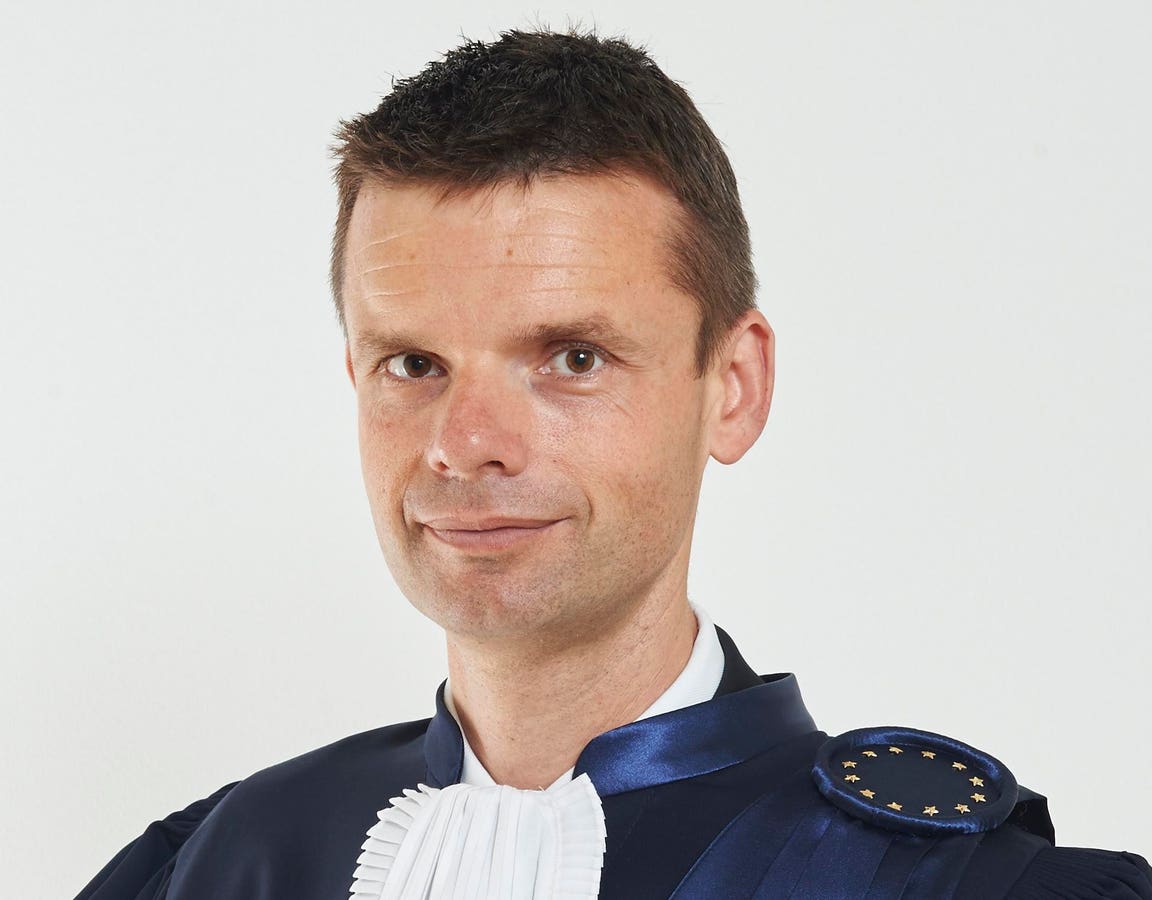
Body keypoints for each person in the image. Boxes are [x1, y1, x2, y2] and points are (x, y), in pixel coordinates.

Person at [77, 28, 1151, 900]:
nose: (466, 441)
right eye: (413, 363)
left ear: (733, 386)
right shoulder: (224, 862)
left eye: (573, 358)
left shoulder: (950, 885)